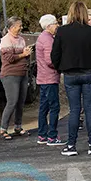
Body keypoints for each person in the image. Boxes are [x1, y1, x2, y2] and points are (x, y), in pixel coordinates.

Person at [51, 2, 91, 156]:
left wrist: (60, 67)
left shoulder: (62, 31)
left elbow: (54, 55)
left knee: (74, 110)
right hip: (89, 72)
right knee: (90, 108)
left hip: (70, 74)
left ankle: (71, 145)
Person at [0, 17, 32, 140]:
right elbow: (10, 59)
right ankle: (3, 128)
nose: (21, 28)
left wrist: (26, 54)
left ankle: (18, 126)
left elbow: (23, 57)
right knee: (12, 101)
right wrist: (24, 54)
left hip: (23, 73)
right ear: (12, 27)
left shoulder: (21, 40)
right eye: (19, 26)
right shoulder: (5, 41)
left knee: (20, 102)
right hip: (10, 75)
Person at [35, 14, 65, 146]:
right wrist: (61, 65)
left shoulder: (42, 38)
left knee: (44, 107)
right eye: (55, 24)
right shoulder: (48, 40)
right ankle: (52, 135)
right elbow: (50, 60)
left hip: (42, 77)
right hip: (50, 77)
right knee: (54, 107)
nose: (57, 26)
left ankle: (42, 134)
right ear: (48, 26)